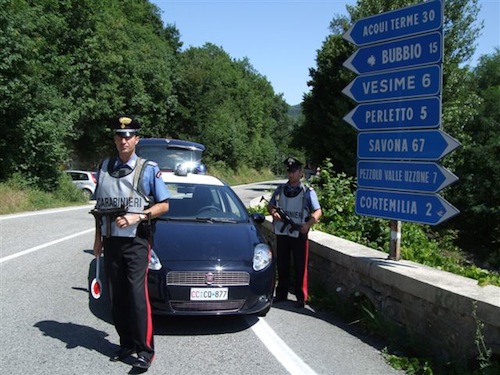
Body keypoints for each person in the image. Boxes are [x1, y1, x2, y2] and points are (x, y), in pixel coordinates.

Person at [92, 115, 169, 370]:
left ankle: (145, 350)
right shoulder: (103, 168)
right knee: (118, 296)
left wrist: (139, 216)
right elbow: (99, 208)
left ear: (136, 139)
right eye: (119, 136)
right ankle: (126, 343)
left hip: (137, 241)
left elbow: (164, 205)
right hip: (111, 240)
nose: (124, 140)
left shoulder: (148, 169)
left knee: (136, 295)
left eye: (128, 136)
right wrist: (98, 240)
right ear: (114, 139)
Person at [267, 157, 322, 308]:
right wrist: (273, 213)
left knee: (300, 266)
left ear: (300, 173)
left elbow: (318, 211)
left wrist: (308, 224)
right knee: (282, 264)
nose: (290, 174)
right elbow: (271, 206)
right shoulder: (280, 190)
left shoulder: (307, 192)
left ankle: (301, 297)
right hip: (283, 233)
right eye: (289, 171)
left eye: (293, 171)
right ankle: (281, 293)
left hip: (299, 233)